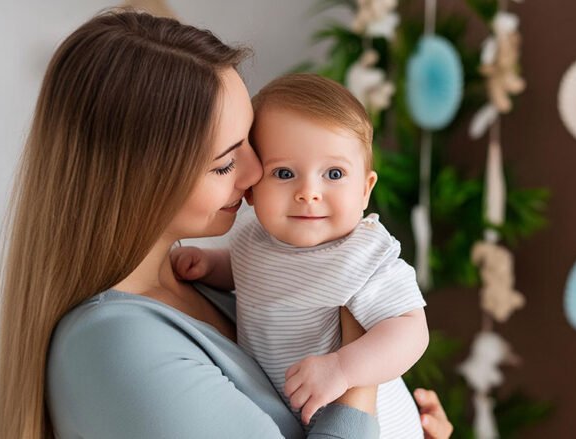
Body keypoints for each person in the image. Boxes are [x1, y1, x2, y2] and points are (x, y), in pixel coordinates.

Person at [0, 10, 453, 439]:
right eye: (224, 164)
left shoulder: (198, 283)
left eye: (250, 144)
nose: (256, 175)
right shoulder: (113, 348)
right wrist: (360, 390)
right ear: (140, 182)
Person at [171, 73, 428, 438]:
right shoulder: (251, 236)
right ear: (252, 188)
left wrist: (343, 369)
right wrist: (211, 265)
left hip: (379, 427)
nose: (309, 192)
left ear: (366, 189)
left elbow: (410, 331)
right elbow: (252, 272)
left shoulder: (363, 255)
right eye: (285, 172)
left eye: (334, 173)